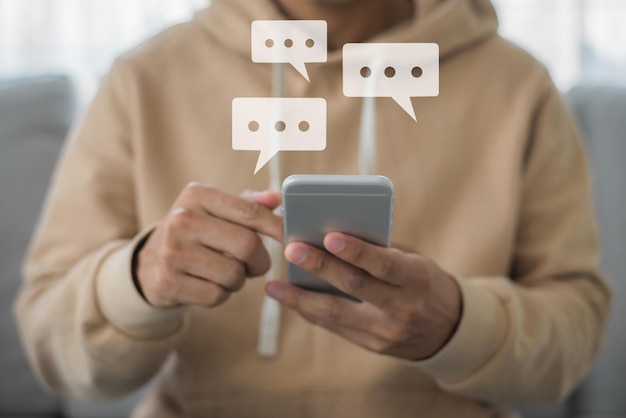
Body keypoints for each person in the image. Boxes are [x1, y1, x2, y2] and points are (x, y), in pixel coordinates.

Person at [14, 0, 612, 416]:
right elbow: (53, 347)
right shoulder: (142, 80)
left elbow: (575, 337)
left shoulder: (518, 85)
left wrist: (458, 324)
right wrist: (137, 279)